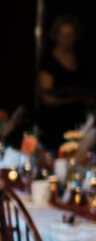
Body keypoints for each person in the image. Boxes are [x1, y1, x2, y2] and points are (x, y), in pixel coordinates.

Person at [37, 15, 90, 146]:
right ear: (56, 36)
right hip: (55, 123)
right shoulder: (49, 61)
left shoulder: (81, 59)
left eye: (70, 35)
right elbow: (47, 97)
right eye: (63, 35)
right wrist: (74, 98)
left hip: (78, 121)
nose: (67, 40)